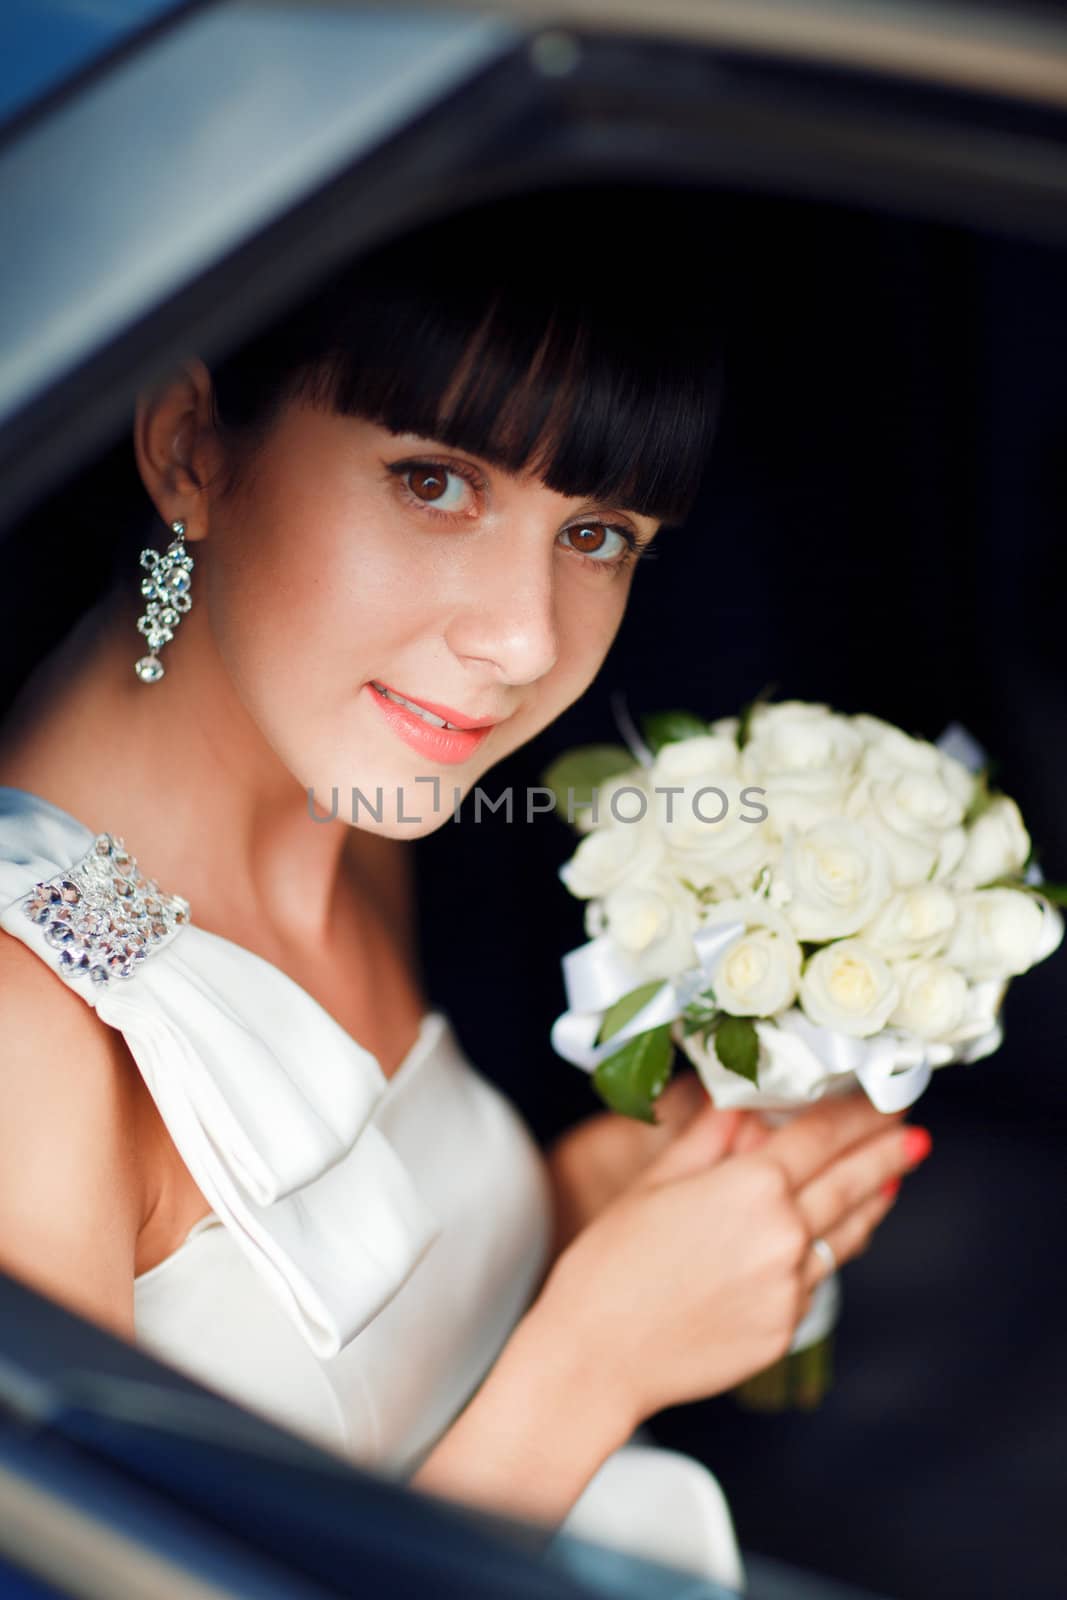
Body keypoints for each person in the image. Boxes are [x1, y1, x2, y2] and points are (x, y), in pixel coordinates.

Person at [0, 188, 925, 1592]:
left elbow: (355, 1335)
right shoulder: (28, 1039)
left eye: (599, 532)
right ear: (191, 446)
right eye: (437, 481)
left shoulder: (356, 797)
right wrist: (592, 1363)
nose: (520, 638)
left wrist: (591, 1209)